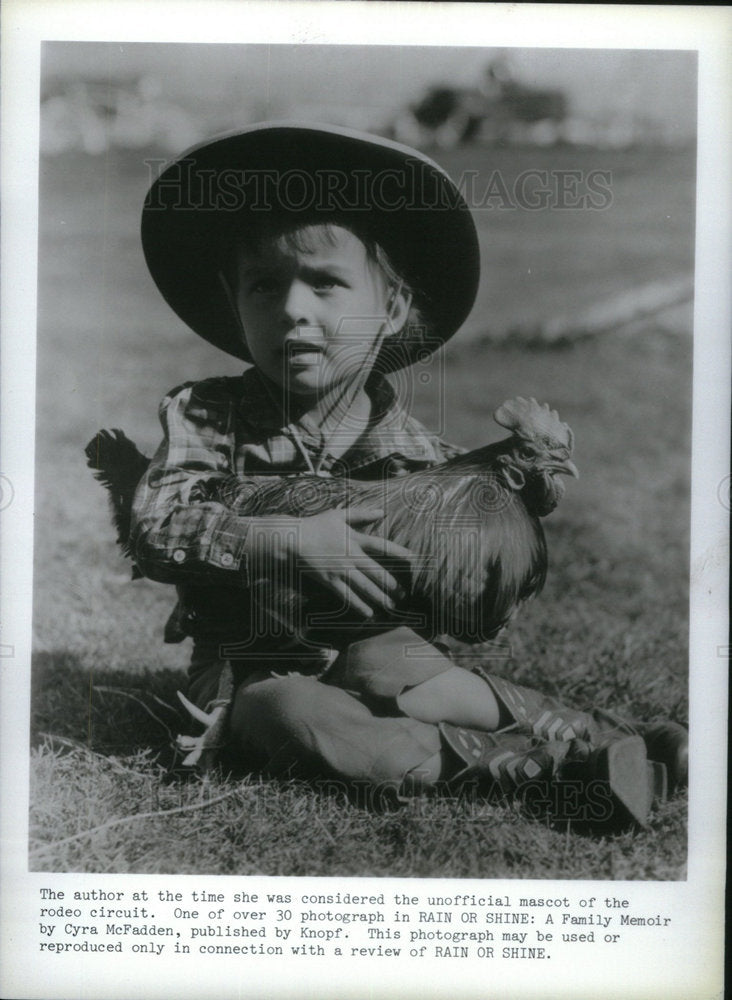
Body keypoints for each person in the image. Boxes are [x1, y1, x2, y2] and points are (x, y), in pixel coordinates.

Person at [129, 122, 686, 828]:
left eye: (326, 284)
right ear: (236, 305)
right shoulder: (206, 416)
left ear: (392, 309)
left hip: (378, 652)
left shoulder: (420, 453)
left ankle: (605, 735)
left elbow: (441, 602)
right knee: (298, 716)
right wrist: (279, 539)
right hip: (251, 663)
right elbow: (153, 524)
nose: (293, 309)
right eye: (264, 286)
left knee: (421, 675)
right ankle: (546, 771)